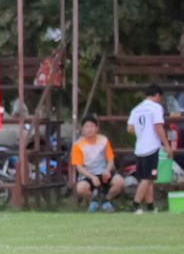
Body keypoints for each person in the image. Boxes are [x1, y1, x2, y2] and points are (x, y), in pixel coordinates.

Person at [127, 84, 173, 214]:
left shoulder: (136, 109)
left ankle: (150, 206)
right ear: (157, 95)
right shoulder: (156, 107)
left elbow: (129, 129)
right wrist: (167, 145)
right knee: (148, 177)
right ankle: (135, 204)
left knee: (147, 178)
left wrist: (142, 133)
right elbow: (158, 127)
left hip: (139, 148)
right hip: (152, 147)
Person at [72, 114, 124, 213]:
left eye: (92, 126)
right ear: (82, 129)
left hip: (104, 173)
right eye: (87, 126)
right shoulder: (77, 145)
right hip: (88, 174)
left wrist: (107, 170)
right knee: (81, 189)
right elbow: (79, 167)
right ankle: (95, 201)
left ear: (97, 128)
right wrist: (92, 177)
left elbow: (110, 159)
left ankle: (106, 200)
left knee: (120, 182)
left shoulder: (104, 140)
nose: (89, 129)